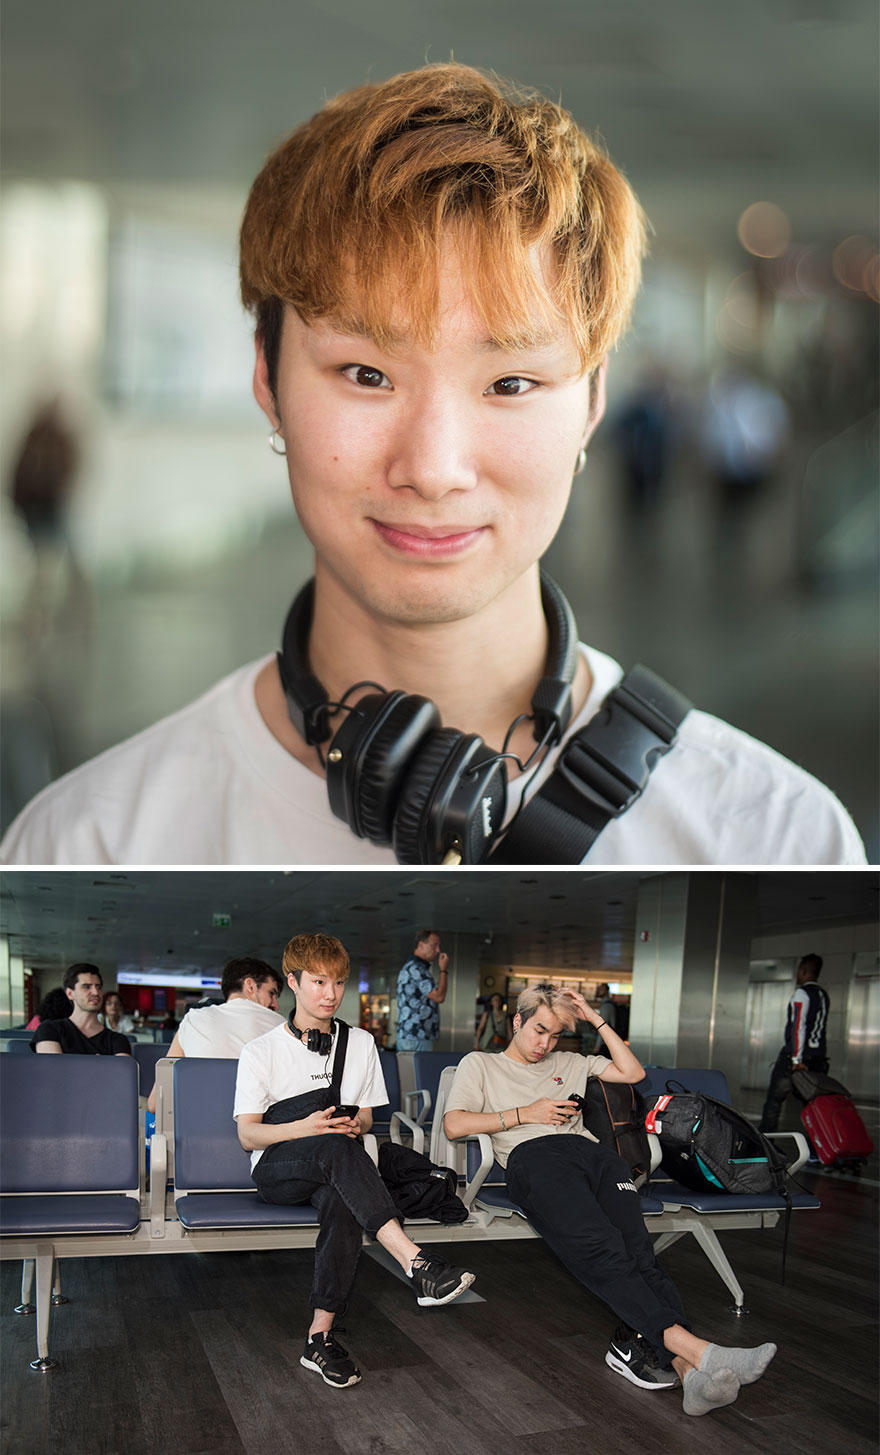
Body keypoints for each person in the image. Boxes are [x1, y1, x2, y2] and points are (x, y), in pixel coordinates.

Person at [0, 64, 865, 868]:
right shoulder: (88, 845)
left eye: (512, 382)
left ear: (592, 402)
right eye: (366, 374)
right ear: (267, 378)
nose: (434, 468)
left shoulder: (777, 839)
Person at [444, 982, 777, 1418]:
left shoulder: (572, 1061)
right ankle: (701, 1351)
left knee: (640, 1253)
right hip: (534, 1159)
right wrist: (528, 1113)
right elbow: (455, 1124)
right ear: (517, 1022)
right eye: (538, 1031)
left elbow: (633, 1073)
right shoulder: (481, 1063)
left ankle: (688, 1373)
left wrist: (594, 1015)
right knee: (602, 1249)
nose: (545, 1044)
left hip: (596, 1159)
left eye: (555, 1035)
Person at [233, 933, 475, 1389]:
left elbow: (365, 1115)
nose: (330, 994)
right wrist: (310, 1127)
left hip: (336, 1162)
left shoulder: (360, 1043)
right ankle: (414, 1261)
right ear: (293, 982)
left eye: (339, 983)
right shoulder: (260, 1051)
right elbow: (248, 1134)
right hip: (279, 1168)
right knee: (332, 1150)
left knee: (341, 1196)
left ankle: (318, 1337)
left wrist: (353, 1126)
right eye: (319, 982)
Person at [146, 957, 285, 1112]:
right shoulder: (281, 1026)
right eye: (271, 994)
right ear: (250, 986)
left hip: (197, 1128)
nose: (275, 1005)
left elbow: (155, 1103)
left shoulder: (192, 1019)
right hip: (260, 1130)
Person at [759, 954, 830, 1133]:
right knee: (815, 1106)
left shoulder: (801, 994)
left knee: (773, 1103)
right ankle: (816, 1149)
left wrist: (796, 1059)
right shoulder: (823, 995)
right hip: (818, 1059)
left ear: (804, 971)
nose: (798, 974)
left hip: (797, 1059)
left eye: (799, 970)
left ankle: (767, 1145)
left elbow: (798, 1026)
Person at [31, 963, 131, 1055]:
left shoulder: (117, 1040)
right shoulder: (50, 1029)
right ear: (70, 994)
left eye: (98, 987)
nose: (96, 992)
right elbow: (54, 1071)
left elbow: (122, 1073)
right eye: (86, 987)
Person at [396, 931, 448, 1051]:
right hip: (417, 1035)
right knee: (418, 1070)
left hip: (412, 1035)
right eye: (434, 945)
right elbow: (439, 996)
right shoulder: (416, 969)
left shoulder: (412, 967)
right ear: (420, 945)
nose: (438, 950)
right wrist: (443, 970)